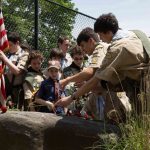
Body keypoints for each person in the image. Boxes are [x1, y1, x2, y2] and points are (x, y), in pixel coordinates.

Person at [55, 13, 149, 117]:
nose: (100, 39)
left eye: (100, 35)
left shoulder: (116, 48)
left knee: (141, 121)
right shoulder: (134, 34)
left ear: (108, 32)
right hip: (137, 87)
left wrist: (70, 96)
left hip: (141, 89)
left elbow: (93, 76)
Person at [0, 32, 29, 110]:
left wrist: (4, 59)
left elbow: (17, 71)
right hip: (5, 89)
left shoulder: (24, 54)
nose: (8, 47)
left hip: (17, 91)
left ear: (17, 43)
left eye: (11, 45)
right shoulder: (7, 54)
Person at [62, 45, 86, 114]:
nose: (79, 61)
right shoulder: (66, 71)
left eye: (81, 58)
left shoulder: (87, 70)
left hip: (86, 103)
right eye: (76, 59)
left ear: (83, 57)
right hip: (71, 103)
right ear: (72, 58)